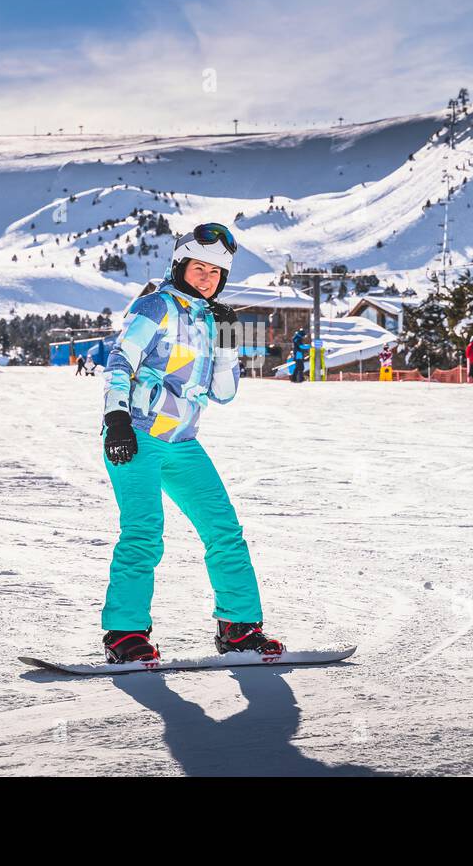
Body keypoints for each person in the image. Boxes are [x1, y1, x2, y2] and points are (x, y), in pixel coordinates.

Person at [100, 222, 283, 664]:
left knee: (224, 532)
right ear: (180, 266)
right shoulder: (156, 306)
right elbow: (121, 359)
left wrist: (226, 341)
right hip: (137, 434)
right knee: (144, 532)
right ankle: (125, 633)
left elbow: (224, 393)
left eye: (216, 272)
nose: (207, 278)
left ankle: (239, 628)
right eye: (200, 268)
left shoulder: (212, 320)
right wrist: (116, 415)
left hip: (182, 441)